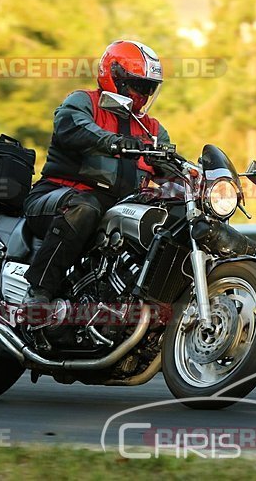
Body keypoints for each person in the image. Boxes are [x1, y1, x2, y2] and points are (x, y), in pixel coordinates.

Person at [22, 40, 170, 314]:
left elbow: (170, 166)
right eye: (139, 85)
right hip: (56, 196)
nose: (144, 94)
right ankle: (39, 292)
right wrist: (113, 142)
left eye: (150, 88)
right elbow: (74, 127)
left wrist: (201, 179)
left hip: (116, 208)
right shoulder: (83, 102)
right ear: (116, 78)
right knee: (86, 207)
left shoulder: (152, 129)